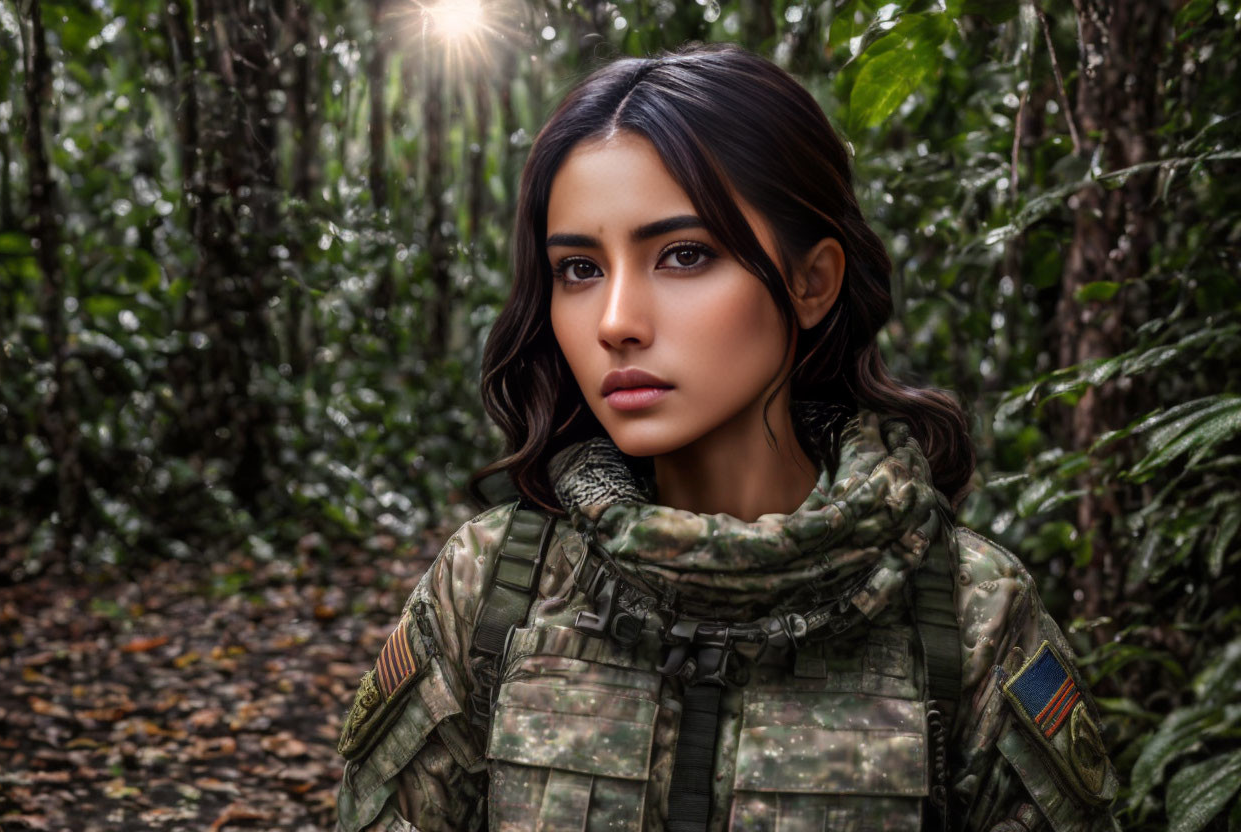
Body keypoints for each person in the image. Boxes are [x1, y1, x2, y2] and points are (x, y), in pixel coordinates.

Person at [332, 42, 1120, 832]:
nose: (615, 323)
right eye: (579, 269)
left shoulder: (968, 613)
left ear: (812, 283)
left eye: (683, 255)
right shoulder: (490, 589)